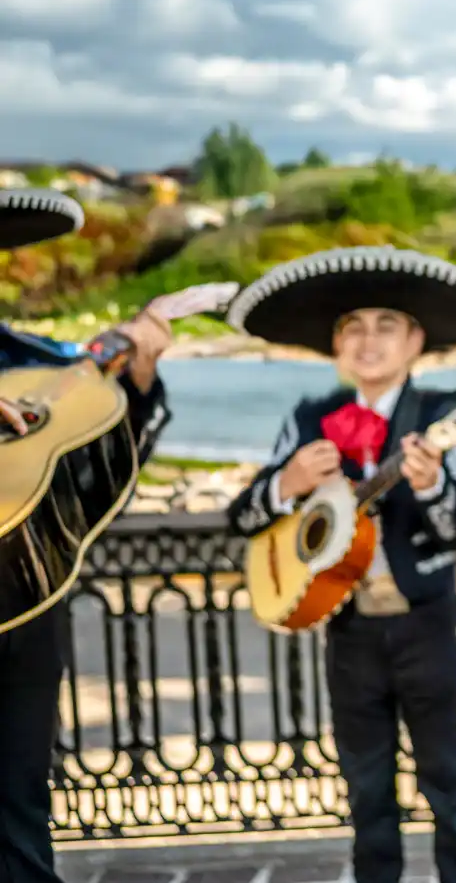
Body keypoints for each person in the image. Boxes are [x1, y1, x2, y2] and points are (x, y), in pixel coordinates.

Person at [224, 246, 456, 883]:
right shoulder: (307, 419)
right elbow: (243, 518)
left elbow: (454, 533)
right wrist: (287, 483)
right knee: (365, 787)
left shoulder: (446, 415)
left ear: (415, 341)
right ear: (336, 345)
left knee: (447, 781)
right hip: (348, 629)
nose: (368, 339)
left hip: (425, 623)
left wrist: (435, 483)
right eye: (352, 327)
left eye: (387, 325)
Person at [0, 188, 173, 883]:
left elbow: (104, 466)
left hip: (28, 603)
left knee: (19, 810)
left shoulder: (34, 358)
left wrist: (140, 375)